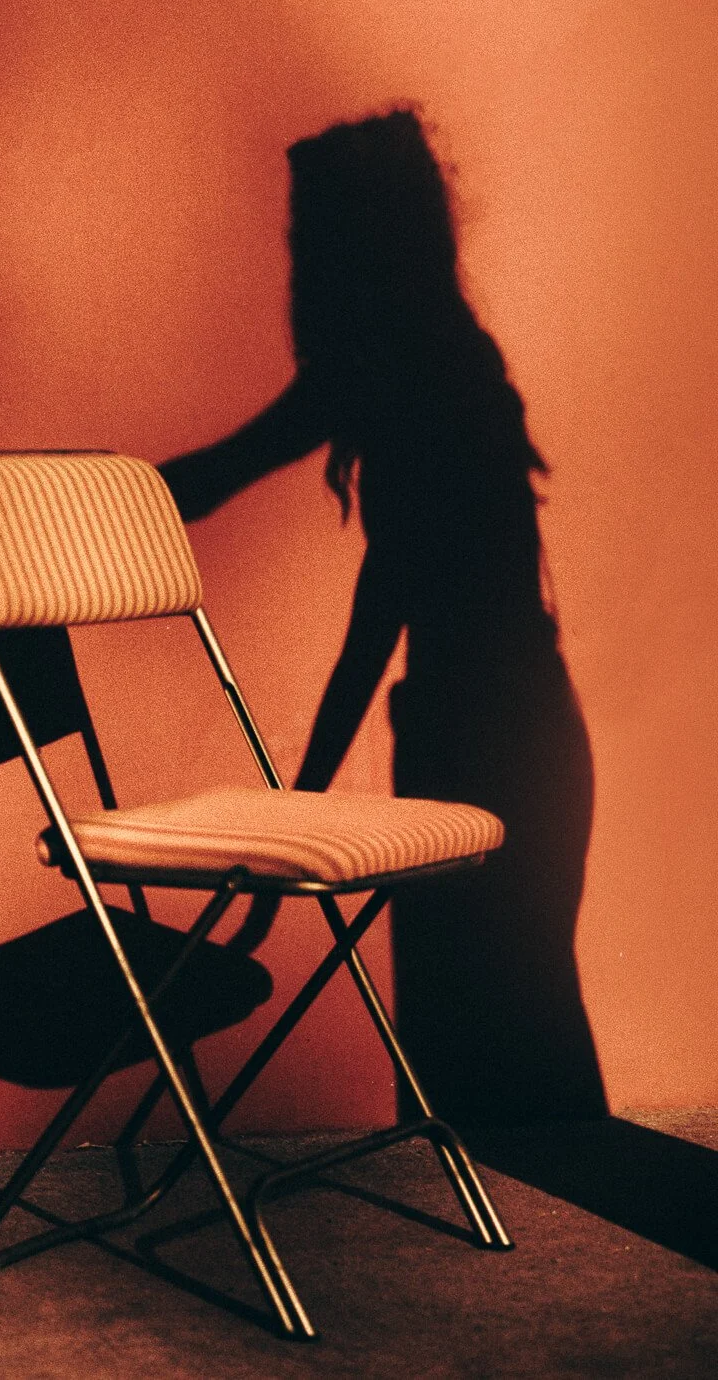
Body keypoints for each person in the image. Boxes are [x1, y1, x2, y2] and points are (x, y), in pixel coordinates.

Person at [160, 108, 606, 1124]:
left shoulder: (400, 373)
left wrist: (301, 810)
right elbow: (233, 485)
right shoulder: (442, 360)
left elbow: (369, 607)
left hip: (475, 746)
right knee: (528, 1045)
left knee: (473, 1070)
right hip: (521, 734)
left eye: (311, 235)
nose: (299, 262)